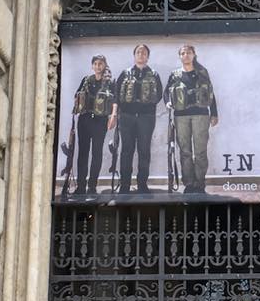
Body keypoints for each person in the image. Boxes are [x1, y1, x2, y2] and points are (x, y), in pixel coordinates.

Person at [164, 44, 218, 193]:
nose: (186, 55)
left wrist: (214, 113)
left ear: (194, 55)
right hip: (181, 116)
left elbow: (211, 93)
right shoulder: (175, 75)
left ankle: (199, 183)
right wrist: (167, 102)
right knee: (185, 151)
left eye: (189, 52)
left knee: (200, 151)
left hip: (201, 114)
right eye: (183, 53)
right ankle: (188, 183)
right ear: (180, 56)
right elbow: (166, 93)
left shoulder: (202, 72)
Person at [112, 44, 162, 193]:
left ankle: (142, 184)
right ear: (134, 55)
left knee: (144, 150)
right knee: (126, 150)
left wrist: (145, 106)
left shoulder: (154, 74)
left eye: (144, 52)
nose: (141, 55)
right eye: (138, 52)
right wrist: (115, 114)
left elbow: (158, 95)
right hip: (126, 117)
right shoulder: (125, 73)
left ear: (148, 56)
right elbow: (116, 95)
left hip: (146, 118)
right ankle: (125, 184)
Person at [73, 54, 114, 194]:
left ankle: (92, 186)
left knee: (96, 153)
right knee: (83, 153)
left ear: (104, 65)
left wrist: (112, 117)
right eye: (95, 63)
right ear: (92, 66)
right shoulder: (86, 80)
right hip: (84, 120)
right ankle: (80, 186)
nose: (98, 66)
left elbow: (114, 101)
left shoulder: (109, 82)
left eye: (100, 64)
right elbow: (76, 96)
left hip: (100, 121)